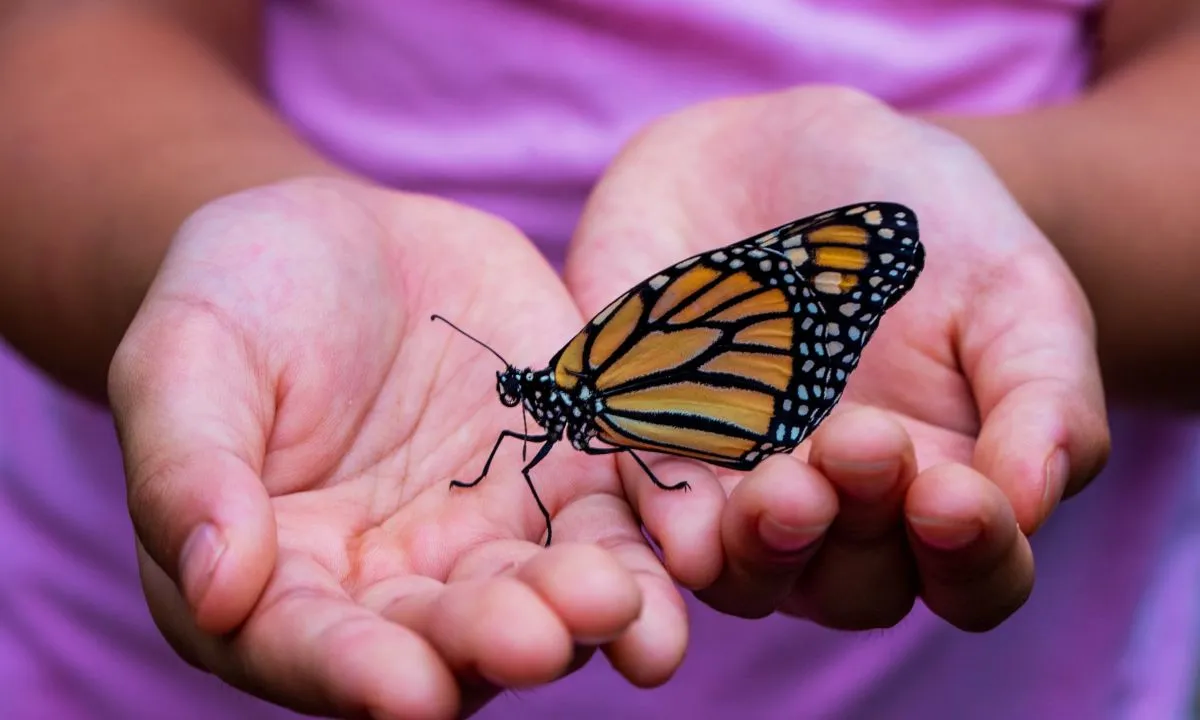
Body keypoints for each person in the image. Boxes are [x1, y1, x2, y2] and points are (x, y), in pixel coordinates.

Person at [1, 0, 1198, 718]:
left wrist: (1020, 216)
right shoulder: (578, 390)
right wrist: (225, 238)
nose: (525, 401)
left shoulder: (599, 374)